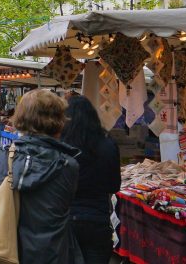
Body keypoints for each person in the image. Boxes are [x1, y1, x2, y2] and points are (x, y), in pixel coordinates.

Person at [0, 89, 83, 264]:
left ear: (20, 117)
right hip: (52, 254)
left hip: (3, 251)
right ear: (59, 121)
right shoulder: (68, 166)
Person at [61, 96, 120, 264]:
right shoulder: (108, 145)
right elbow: (114, 185)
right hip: (98, 220)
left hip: (66, 219)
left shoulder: (61, 145)